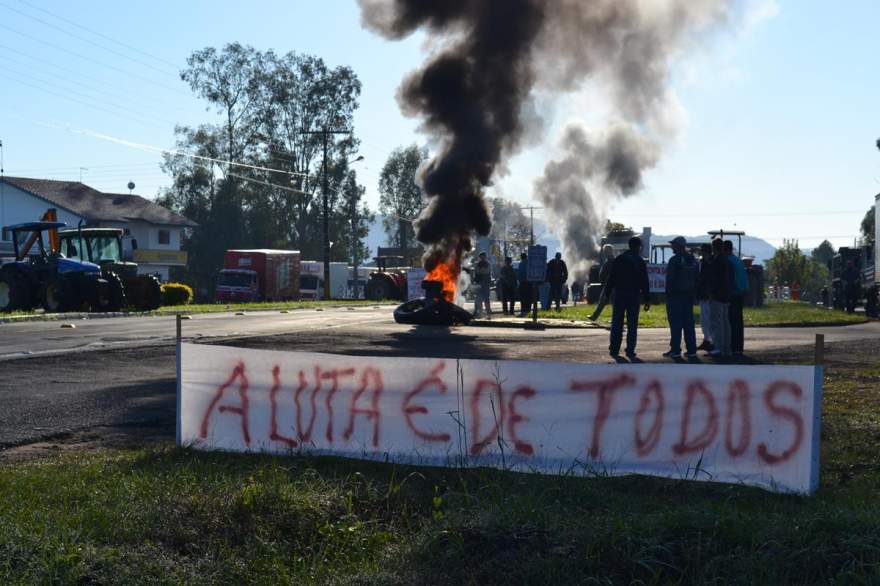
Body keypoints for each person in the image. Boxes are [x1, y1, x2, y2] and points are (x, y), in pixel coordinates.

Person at [605, 236, 650, 359]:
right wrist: (647, 298)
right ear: (638, 247)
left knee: (617, 323)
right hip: (634, 295)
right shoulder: (639, 261)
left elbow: (611, 278)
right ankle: (630, 350)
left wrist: (607, 294)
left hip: (619, 294)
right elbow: (644, 281)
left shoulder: (619, 259)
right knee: (632, 324)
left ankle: (614, 349)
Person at [663, 236, 698, 359]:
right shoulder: (693, 260)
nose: (672, 246)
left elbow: (670, 279)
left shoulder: (674, 260)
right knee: (688, 323)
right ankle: (692, 349)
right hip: (689, 295)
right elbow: (696, 277)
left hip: (675, 295)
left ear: (678, 246)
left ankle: (675, 349)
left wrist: (667, 293)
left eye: (673, 244)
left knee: (676, 323)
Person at [708, 238, 733, 357]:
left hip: (718, 295)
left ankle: (718, 346)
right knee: (725, 322)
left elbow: (714, 279)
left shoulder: (717, 261)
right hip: (726, 294)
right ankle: (726, 347)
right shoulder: (727, 260)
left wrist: (712, 292)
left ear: (714, 248)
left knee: (717, 322)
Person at [723, 240, 748, 356]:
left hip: (733, 293)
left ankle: (733, 346)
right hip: (741, 293)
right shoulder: (738, 260)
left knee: (731, 322)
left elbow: (730, 279)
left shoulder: (728, 261)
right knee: (738, 321)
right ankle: (739, 347)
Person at [589, 244, 615, 321]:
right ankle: (594, 316)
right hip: (607, 284)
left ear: (610, 251)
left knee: (610, 302)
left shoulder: (611, 261)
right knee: (603, 301)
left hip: (610, 285)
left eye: (606, 251)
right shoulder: (609, 260)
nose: (605, 253)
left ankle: (595, 316)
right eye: (605, 251)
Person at [696, 243, 714, 351]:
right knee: (704, 320)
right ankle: (707, 339)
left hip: (708, 295)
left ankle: (712, 341)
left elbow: (709, 280)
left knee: (709, 319)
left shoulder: (710, 263)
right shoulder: (703, 262)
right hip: (703, 294)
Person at [473, 252, 492, 318]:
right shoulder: (477, 264)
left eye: (483, 257)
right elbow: (476, 274)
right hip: (479, 283)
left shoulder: (488, 264)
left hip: (486, 283)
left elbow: (488, 273)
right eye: (481, 257)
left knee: (486, 299)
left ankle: (488, 314)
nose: (482, 258)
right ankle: (479, 313)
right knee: (478, 299)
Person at [517, 252, 531, 317]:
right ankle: (528, 310)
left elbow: (519, 275)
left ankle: (523, 310)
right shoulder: (529, 263)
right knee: (528, 297)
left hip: (522, 283)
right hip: (529, 283)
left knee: (523, 298)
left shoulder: (521, 264)